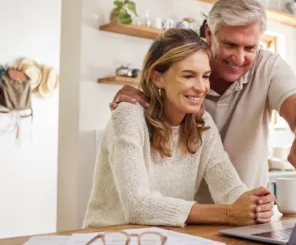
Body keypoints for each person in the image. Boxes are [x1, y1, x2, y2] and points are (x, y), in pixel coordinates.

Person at [109, 0, 296, 204]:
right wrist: (143, 99)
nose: (239, 58)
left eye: (250, 47)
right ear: (209, 33)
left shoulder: (268, 67)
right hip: (182, 215)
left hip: (240, 208)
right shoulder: (183, 66)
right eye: (230, 45)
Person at [83, 28, 274, 228]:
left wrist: (256, 204)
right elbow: (138, 206)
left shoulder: (202, 123)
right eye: (188, 76)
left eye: (205, 76)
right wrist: (229, 213)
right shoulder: (128, 116)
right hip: (108, 242)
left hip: (166, 241)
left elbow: (230, 191)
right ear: (158, 78)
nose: (201, 88)